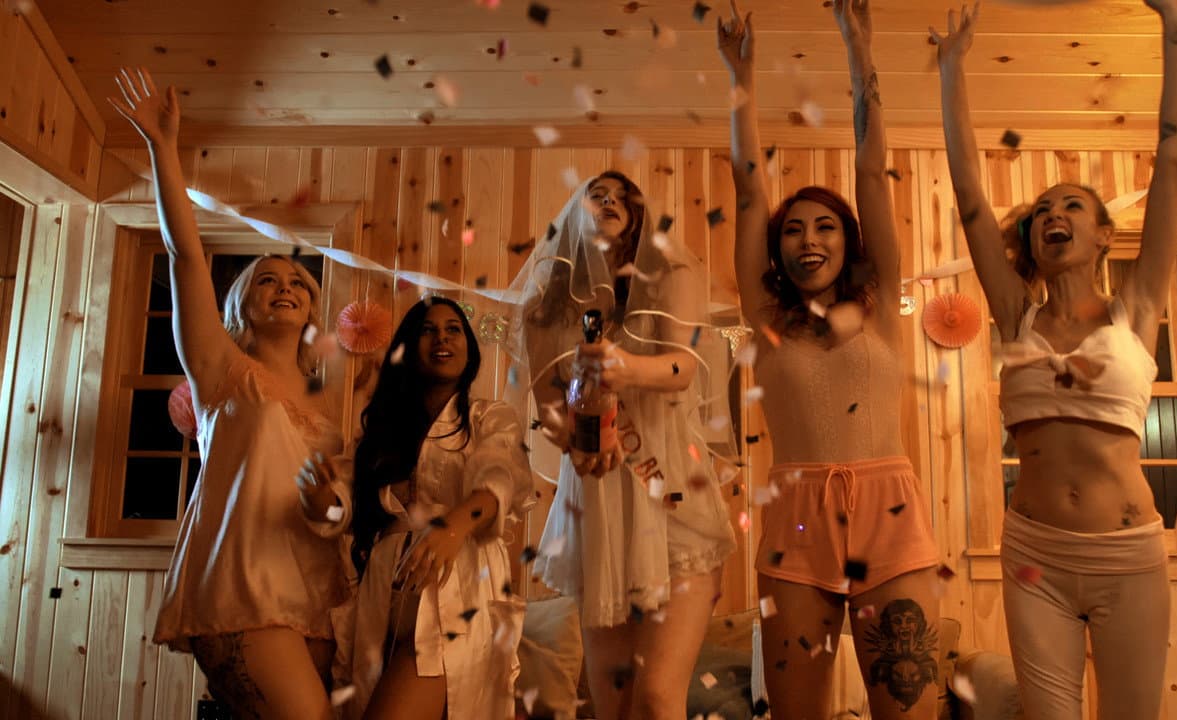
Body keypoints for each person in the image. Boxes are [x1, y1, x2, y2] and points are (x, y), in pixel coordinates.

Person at [930, 2, 1177, 717]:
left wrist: (1176, 25)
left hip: (1128, 556)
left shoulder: (1134, 311)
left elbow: (1172, 164)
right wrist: (951, 71)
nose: (1054, 214)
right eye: (1044, 208)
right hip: (1035, 555)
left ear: (1104, 235)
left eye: (1072, 206)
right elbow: (970, 197)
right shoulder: (1017, 316)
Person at [717, 1, 942, 717]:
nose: (808, 240)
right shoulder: (766, 318)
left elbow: (872, 173)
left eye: (825, 227)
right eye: (793, 231)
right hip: (796, 522)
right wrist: (741, 77)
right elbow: (749, 188)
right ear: (778, 249)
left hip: (890, 513)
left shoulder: (878, 303)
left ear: (849, 241)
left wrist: (859, 46)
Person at [111, 67, 347, 718]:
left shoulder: (328, 412)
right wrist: (163, 148)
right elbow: (186, 256)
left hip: (319, 603)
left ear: (312, 309)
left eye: (297, 282)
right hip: (242, 591)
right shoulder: (221, 371)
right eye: (266, 279)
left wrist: (331, 504)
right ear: (240, 305)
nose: (286, 287)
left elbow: (335, 514)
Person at [504, 171, 737, 719]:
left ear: (637, 217)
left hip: (670, 493)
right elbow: (551, 415)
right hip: (598, 508)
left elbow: (683, 367)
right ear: (574, 213)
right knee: (614, 704)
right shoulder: (545, 309)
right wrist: (580, 435)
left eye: (621, 198)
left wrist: (625, 368)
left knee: (656, 698)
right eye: (597, 195)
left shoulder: (669, 276)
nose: (609, 201)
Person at [300, 296, 533, 719]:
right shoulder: (382, 433)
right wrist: (319, 502)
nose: (442, 338)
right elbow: (342, 510)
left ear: (469, 349)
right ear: (409, 346)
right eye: (428, 330)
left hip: (457, 590)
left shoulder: (489, 417)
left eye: (453, 329)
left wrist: (453, 527)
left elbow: (498, 477)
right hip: (383, 600)